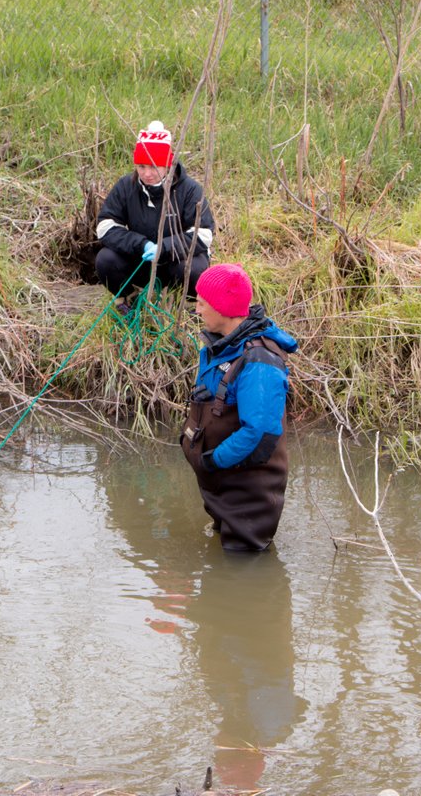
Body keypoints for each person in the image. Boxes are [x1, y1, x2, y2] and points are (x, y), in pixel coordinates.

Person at [180, 264, 298, 551]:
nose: (197, 310)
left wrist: (213, 461)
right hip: (224, 482)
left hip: (247, 488)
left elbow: (259, 433)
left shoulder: (259, 361)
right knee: (221, 570)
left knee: (243, 570)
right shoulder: (221, 346)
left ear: (222, 308)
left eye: (202, 303)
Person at [95, 120, 216, 312]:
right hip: (141, 259)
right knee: (105, 259)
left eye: (154, 167)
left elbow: (203, 234)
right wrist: (141, 244)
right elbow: (105, 226)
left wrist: (165, 247)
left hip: (174, 263)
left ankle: (187, 304)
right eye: (141, 166)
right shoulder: (126, 186)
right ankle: (128, 298)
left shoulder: (189, 190)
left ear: (167, 165)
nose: (147, 173)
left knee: (193, 268)